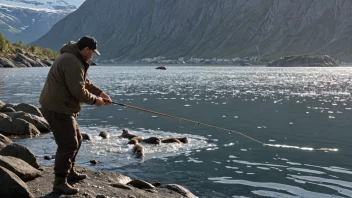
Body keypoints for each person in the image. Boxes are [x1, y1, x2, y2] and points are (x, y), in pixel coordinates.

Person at [39, 36, 111, 195]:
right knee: (68, 144)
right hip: (58, 108)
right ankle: (59, 183)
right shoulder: (71, 61)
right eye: (93, 52)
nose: (93, 55)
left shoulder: (74, 59)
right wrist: (96, 101)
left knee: (77, 139)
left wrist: (100, 93)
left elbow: (84, 82)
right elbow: (78, 91)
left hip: (61, 107)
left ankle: (69, 172)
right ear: (86, 49)